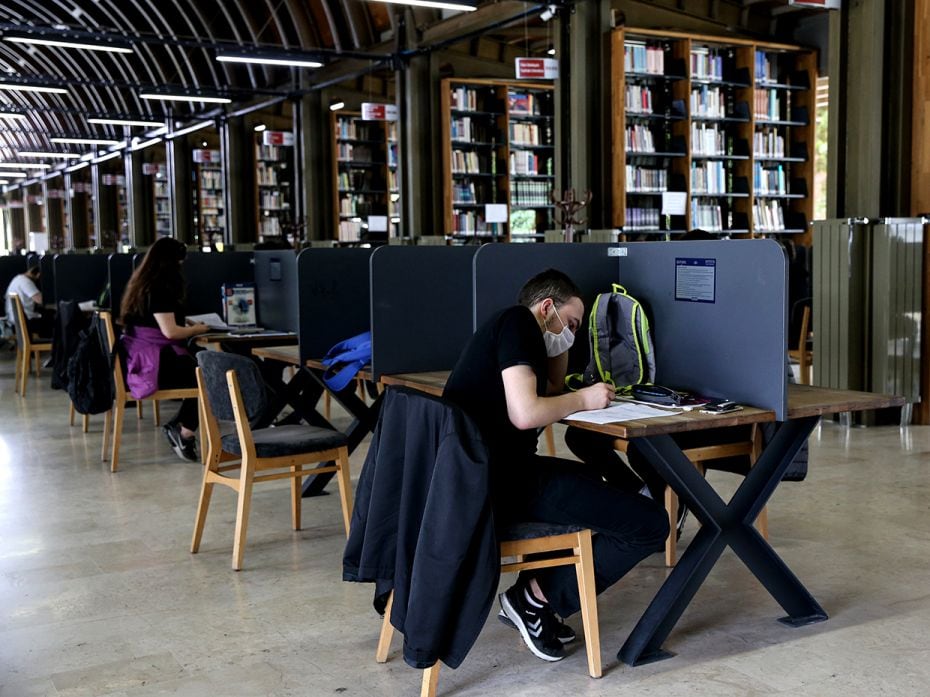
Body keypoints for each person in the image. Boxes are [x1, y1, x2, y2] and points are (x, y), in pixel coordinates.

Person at [443, 268, 669, 663]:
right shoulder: (518, 322)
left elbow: (549, 391)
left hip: (479, 480)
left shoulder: (515, 331)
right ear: (546, 308)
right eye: (572, 323)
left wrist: (563, 341)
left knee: (588, 478)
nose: (572, 334)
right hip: (499, 485)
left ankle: (536, 589)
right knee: (650, 523)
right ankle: (535, 599)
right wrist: (584, 400)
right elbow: (527, 413)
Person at [119, 237, 210, 462]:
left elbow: (156, 322)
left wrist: (184, 322)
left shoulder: (143, 284)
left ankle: (179, 425)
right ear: (171, 263)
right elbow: (170, 332)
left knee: (201, 369)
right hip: (154, 362)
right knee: (209, 374)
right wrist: (198, 329)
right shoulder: (161, 287)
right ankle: (184, 431)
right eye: (179, 263)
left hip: (138, 357)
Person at [5, 259, 55, 339]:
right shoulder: (25, 282)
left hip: (16, 322)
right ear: (38, 274)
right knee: (54, 319)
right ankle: (52, 346)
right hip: (25, 323)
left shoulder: (18, 279)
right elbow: (40, 300)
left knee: (49, 314)